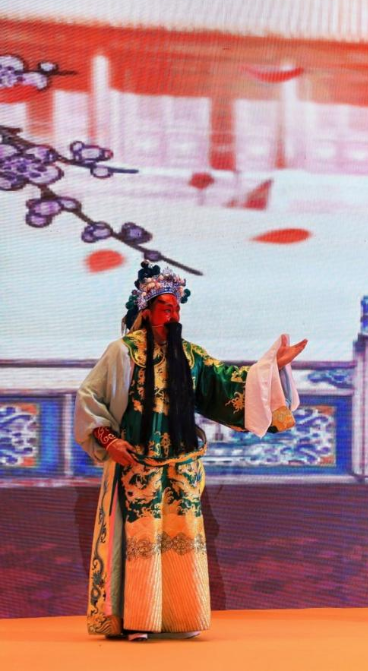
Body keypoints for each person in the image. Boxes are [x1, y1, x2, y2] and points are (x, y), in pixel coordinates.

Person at [74, 261, 307, 640]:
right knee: (141, 540)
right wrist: (109, 440)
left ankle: (181, 616)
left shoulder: (190, 355)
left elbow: (226, 384)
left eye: (176, 308)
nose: (173, 315)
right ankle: (137, 619)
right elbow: (89, 398)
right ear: (146, 312)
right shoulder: (122, 352)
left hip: (182, 465)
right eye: (165, 308)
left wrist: (271, 368)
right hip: (137, 464)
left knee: (182, 539)